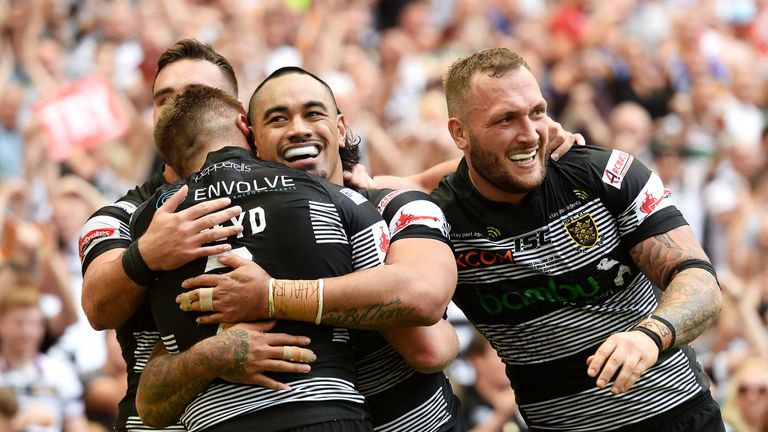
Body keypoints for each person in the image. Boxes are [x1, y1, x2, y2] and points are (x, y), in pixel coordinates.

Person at [427, 47, 723, 431]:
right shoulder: (438, 219)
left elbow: (700, 280)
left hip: (678, 417)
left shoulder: (608, 173)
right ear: (459, 133)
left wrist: (651, 335)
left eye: (537, 111)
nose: (531, 134)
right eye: (506, 120)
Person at [78, 39, 311, 432]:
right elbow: (97, 309)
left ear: (237, 113)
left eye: (194, 95)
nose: (177, 107)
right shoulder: (122, 214)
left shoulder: (290, 185)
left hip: (288, 408)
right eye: (163, 98)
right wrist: (146, 255)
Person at [133, 84, 392, 431]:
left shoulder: (146, 226)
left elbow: (151, 407)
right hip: (325, 412)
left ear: (171, 163)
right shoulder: (333, 195)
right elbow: (400, 304)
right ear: (246, 127)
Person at [0, 288, 89, 432]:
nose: (26, 332)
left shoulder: (61, 371)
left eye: (33, 323)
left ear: (42, 328)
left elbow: (77, 424)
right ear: (1, 324)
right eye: (19, 323)